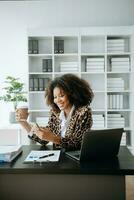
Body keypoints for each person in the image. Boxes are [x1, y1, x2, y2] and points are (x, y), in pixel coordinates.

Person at [16, 74, 94, 151]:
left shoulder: (83, 112)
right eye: (55, 97)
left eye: (62, 95)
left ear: (72, 95)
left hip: (75, 158)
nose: (57, 100)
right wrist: (24, 123)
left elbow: (78, 143)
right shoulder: (55, 112)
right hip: (58, 156)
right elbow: (44, 140)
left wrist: (53, 138)